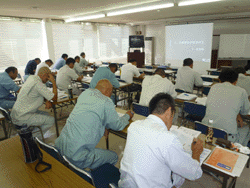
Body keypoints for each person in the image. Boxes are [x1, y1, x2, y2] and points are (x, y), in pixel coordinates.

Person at [119, 93, 203, 188]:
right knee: (179, 173)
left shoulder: (134, 126)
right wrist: (196, 152)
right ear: (169, 112)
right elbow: (194, 173)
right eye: (173, 116)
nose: (171, 123)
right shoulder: (168, 139)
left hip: (126, 185)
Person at [55, 79, 134, 170]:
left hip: (60, 147)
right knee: (114, 157)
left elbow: (89, 114)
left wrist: (104, 125)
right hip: (77, 156)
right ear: (108, 91)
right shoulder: (106, 101)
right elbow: (117, 125)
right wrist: (127, 116)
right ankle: (95, 178)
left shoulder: (85, 93)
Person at [202, 69, 250, 146]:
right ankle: (238, 151)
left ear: (219, 79)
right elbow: (245, 111)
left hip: (206, 130)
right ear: (236, 81)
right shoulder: (241, 91)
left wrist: (237, 114)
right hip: (227, 137)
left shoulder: (214, 87)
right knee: (247, 128)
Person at [11, 67, 57, 138]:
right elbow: (54, 98)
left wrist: (48, 100)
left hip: (17, 114)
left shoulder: (31, 78)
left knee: (46, 114)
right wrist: (53, 82)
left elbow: (41, 93)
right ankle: (32, 138)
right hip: (22, 117)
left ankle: (32, 133)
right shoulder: (38, 84)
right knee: (51, 120)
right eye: (48, 77)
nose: (48, 80)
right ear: (44, 75)